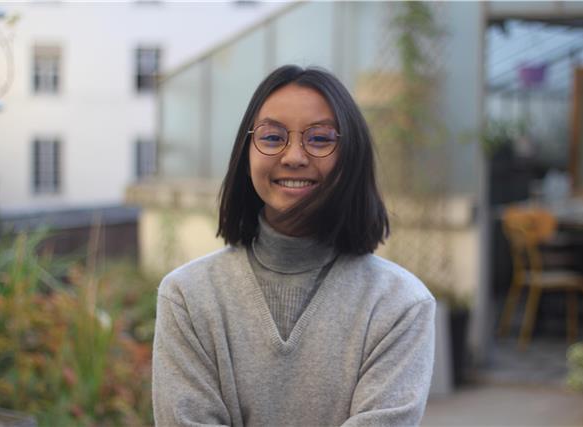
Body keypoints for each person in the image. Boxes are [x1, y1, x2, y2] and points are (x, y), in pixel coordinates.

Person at [152, 65, 435, 426]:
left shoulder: (400, 304)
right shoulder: (188, 297)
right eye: (272, 137)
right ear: (246, 151)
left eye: (319, 139)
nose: (294, 156)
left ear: (352, 155)